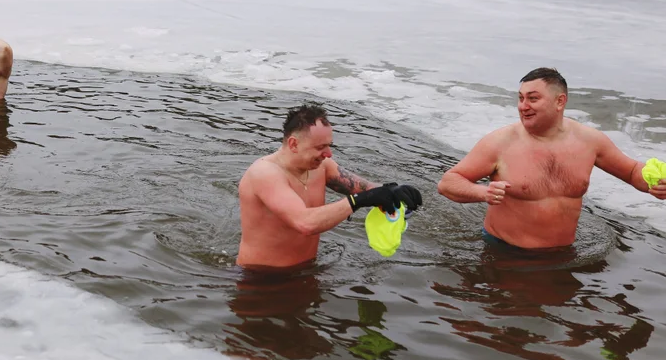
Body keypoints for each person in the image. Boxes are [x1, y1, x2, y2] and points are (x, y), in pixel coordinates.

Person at [437, 67, 666, 250]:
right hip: (503, 252)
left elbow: (632, 171)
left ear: (560, 101)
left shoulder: (590, 141)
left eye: (533, 99)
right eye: (520, 98)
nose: (523, 106)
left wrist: (654, 185)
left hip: (565, 254)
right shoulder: (499, 143)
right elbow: (448, 183)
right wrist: (482, 192)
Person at [237, 103, 423, 271]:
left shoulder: (322, 166)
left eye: (329, 146)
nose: (328, 153)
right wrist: (360, 201)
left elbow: (365, 190)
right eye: (320, 147)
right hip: (260, 277)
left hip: (308, 269)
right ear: (294, 144)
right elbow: (305, 223)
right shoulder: (265, 173)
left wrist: (393, 191)